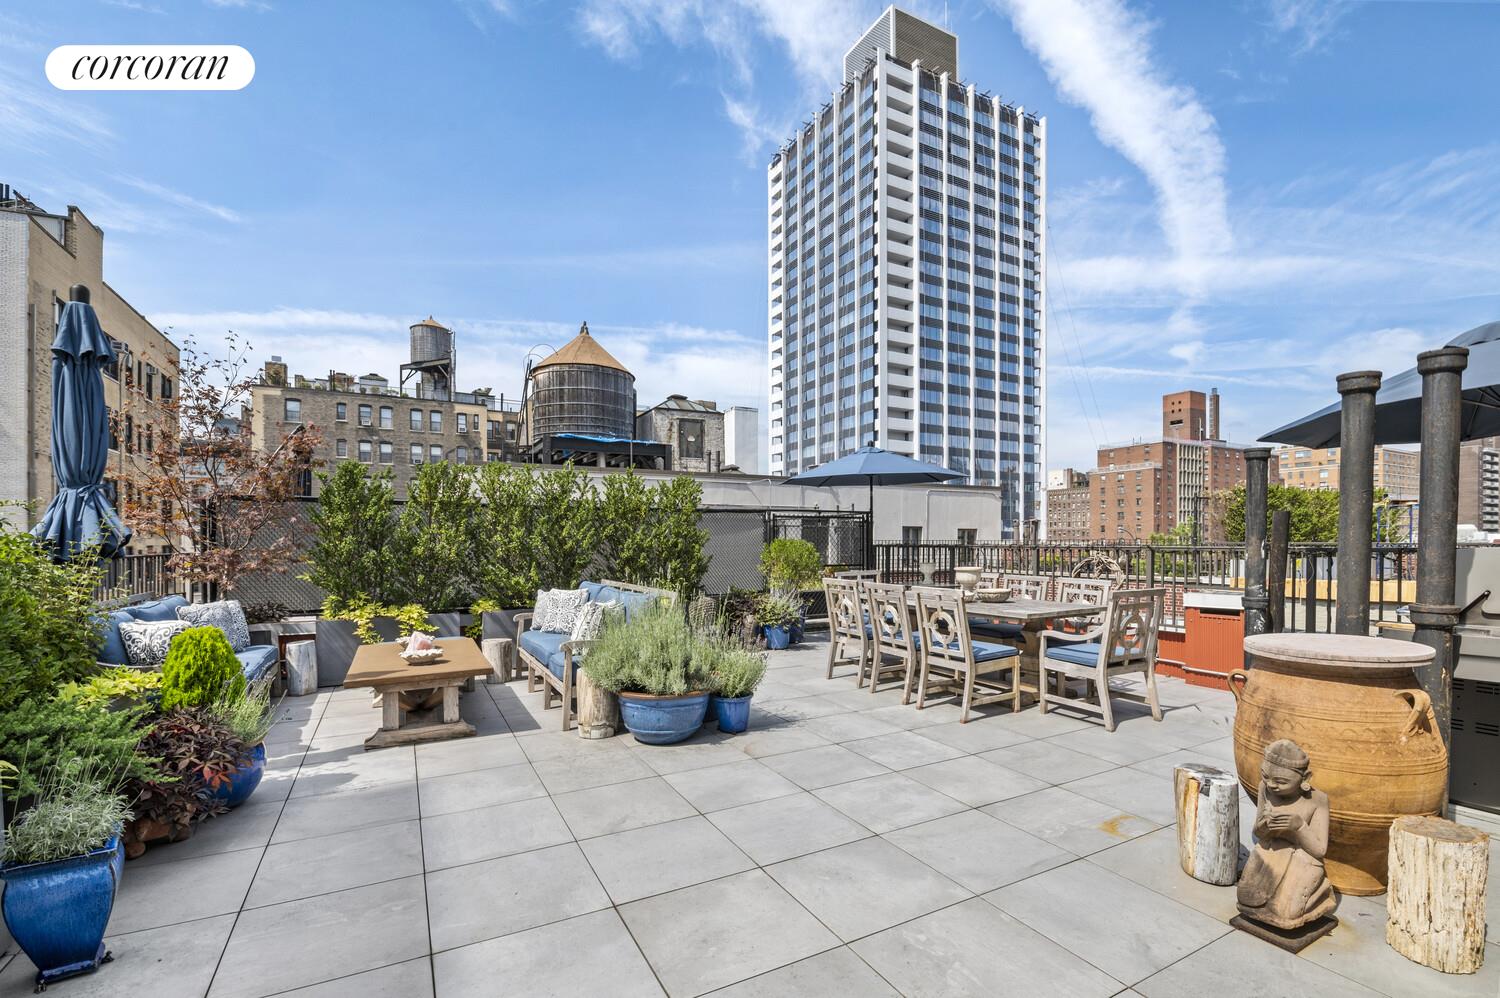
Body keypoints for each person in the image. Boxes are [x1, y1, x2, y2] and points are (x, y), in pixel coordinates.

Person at [1237, 739, 1337, 930]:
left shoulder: (1318, 800)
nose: (1271, 784)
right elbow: (1260, 834)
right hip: (1271, 852)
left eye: (1281, 781)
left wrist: (1299, 827)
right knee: (1247, 899)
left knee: (1286, 913)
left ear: (1305, 778)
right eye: (1266, 776)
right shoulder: (1264, 788)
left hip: (1303, 858)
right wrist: (1264, 825)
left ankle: (1322, 893)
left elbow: (1319, 850)